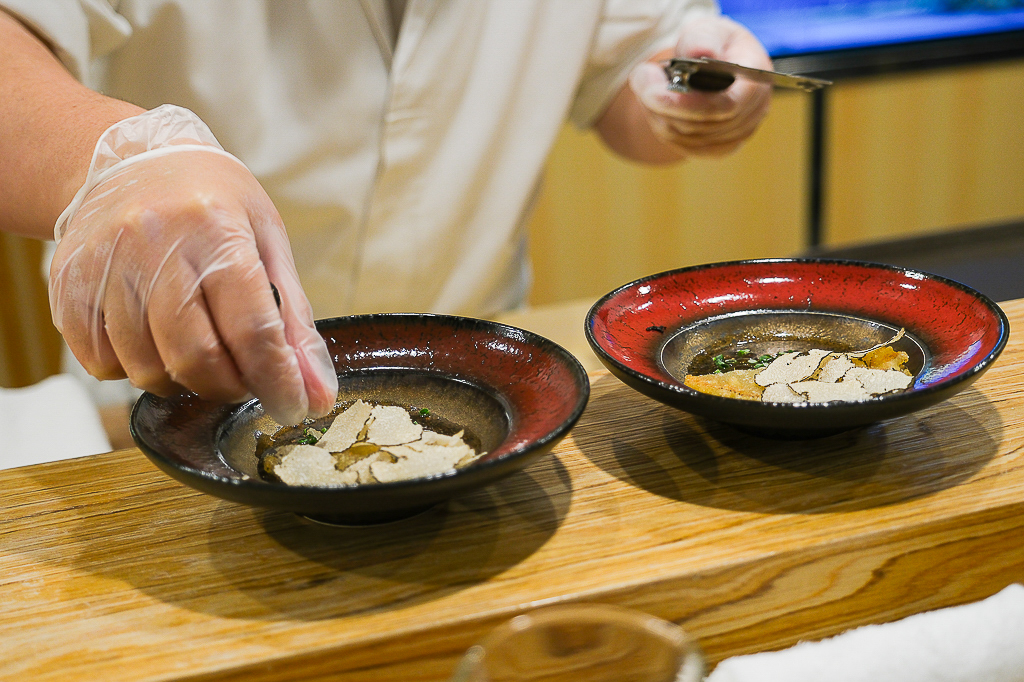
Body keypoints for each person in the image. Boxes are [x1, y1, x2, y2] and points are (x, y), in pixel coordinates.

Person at [0, 1, 772, 429]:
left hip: (477, 388)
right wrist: (113, 162)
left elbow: (625, 77)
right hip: (179, 389)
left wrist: (694, 90)